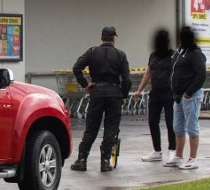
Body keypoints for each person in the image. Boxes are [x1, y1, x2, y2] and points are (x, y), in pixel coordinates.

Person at [70, 26, 132, 172]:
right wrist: (123, 95)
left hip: (96, 92)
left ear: (101, 38)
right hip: (114, 94)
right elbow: (127, 79)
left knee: (91, 127)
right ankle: (105, 161)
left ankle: (82, 160)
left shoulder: (92, 52)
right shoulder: (120, 54)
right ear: (114, 39)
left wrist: (86, 84)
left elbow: (76, 68)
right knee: (111, 128)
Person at [164, 26, 207, 170]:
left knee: (192, 127)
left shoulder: (195, 54)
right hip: (177, 97)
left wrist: (189, 92)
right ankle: (178, 155)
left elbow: (201, 75)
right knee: (178, 127)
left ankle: (193, 158)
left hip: (190, 96)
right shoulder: (179, 52)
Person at [133, 29, 176, 162]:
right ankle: (157, 151)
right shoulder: (153, 56)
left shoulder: (174, 56)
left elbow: (179, 73)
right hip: (155, 93)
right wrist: (139, 90)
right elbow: (148, 73)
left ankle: (172, 150)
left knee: (170, 123)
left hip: (170, 93)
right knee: (152, 121)